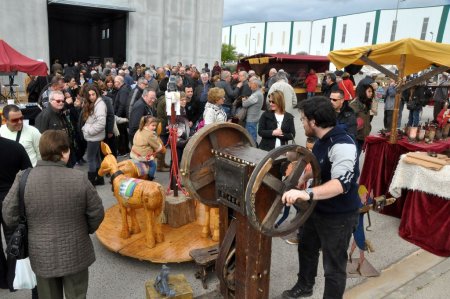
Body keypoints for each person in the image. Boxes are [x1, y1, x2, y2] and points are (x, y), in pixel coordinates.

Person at [2, 130, 104, 299]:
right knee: (77, 295)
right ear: (65, 152)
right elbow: (97, 213)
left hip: (41, 253)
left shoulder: (24, 177)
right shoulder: (79, 178)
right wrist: (83, 229)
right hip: (76, 251)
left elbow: (8, 215)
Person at [281, 97, 359, 299]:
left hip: (339, 216)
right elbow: (318, 166)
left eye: (303, 118)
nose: (302, 122)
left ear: (314, 121)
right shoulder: (321, 140)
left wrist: (306, 193)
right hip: (316, 209)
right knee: (307, 249)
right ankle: (305, 286)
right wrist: (304, 177)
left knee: (333, 266)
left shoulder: (343, 144)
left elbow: (341, 184)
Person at [0, 113, 32, 291]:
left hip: (9, 195)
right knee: (14, 238)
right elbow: (28, 172)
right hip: (10, 198)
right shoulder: (15, 147)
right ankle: (13, 277)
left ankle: (2, 280)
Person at [81, 85, 107, 185]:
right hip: (95, 136)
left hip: (94, 136)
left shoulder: (99, 105)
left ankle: (92, 181)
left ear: (97, 93)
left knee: (90, 158)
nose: (91, 97)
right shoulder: (95, 103)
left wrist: (89, 131)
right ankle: (100, 179)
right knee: (96, 158)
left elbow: (101, 123)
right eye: (89, 95)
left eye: (93, 94)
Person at [130, 116, 163, 181]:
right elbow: (156, 146)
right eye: (153, 125)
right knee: (153, 165)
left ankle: (141, 176)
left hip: (135, 152)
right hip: (143, 155)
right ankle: (150, 178)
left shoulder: (139, 130)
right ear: (146, 124)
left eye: (155, 126)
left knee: (141, 166)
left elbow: (134, 140)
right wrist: (160, 147)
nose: (154, 127)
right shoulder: (150, 134)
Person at [349, 83, 374, 155]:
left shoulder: (366, 103)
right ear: (363, 92)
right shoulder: (354, 104)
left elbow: (367, 120)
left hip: (363, 136)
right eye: (369, 91)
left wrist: (368, 128)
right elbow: (349, 121)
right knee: (354, 158)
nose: (371, 93)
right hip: (355, 137)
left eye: (371, 91)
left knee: (357, 156)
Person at [242, 78, 264, 143]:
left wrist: (243, 100)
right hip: (254, 118)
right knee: (251, 136)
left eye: (251, 84)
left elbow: (245, 104)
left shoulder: (256, 94)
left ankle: (252, 150)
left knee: (250, 137)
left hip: (251, 119)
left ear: (256, 85)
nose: (250, 86)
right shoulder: (259, 93)